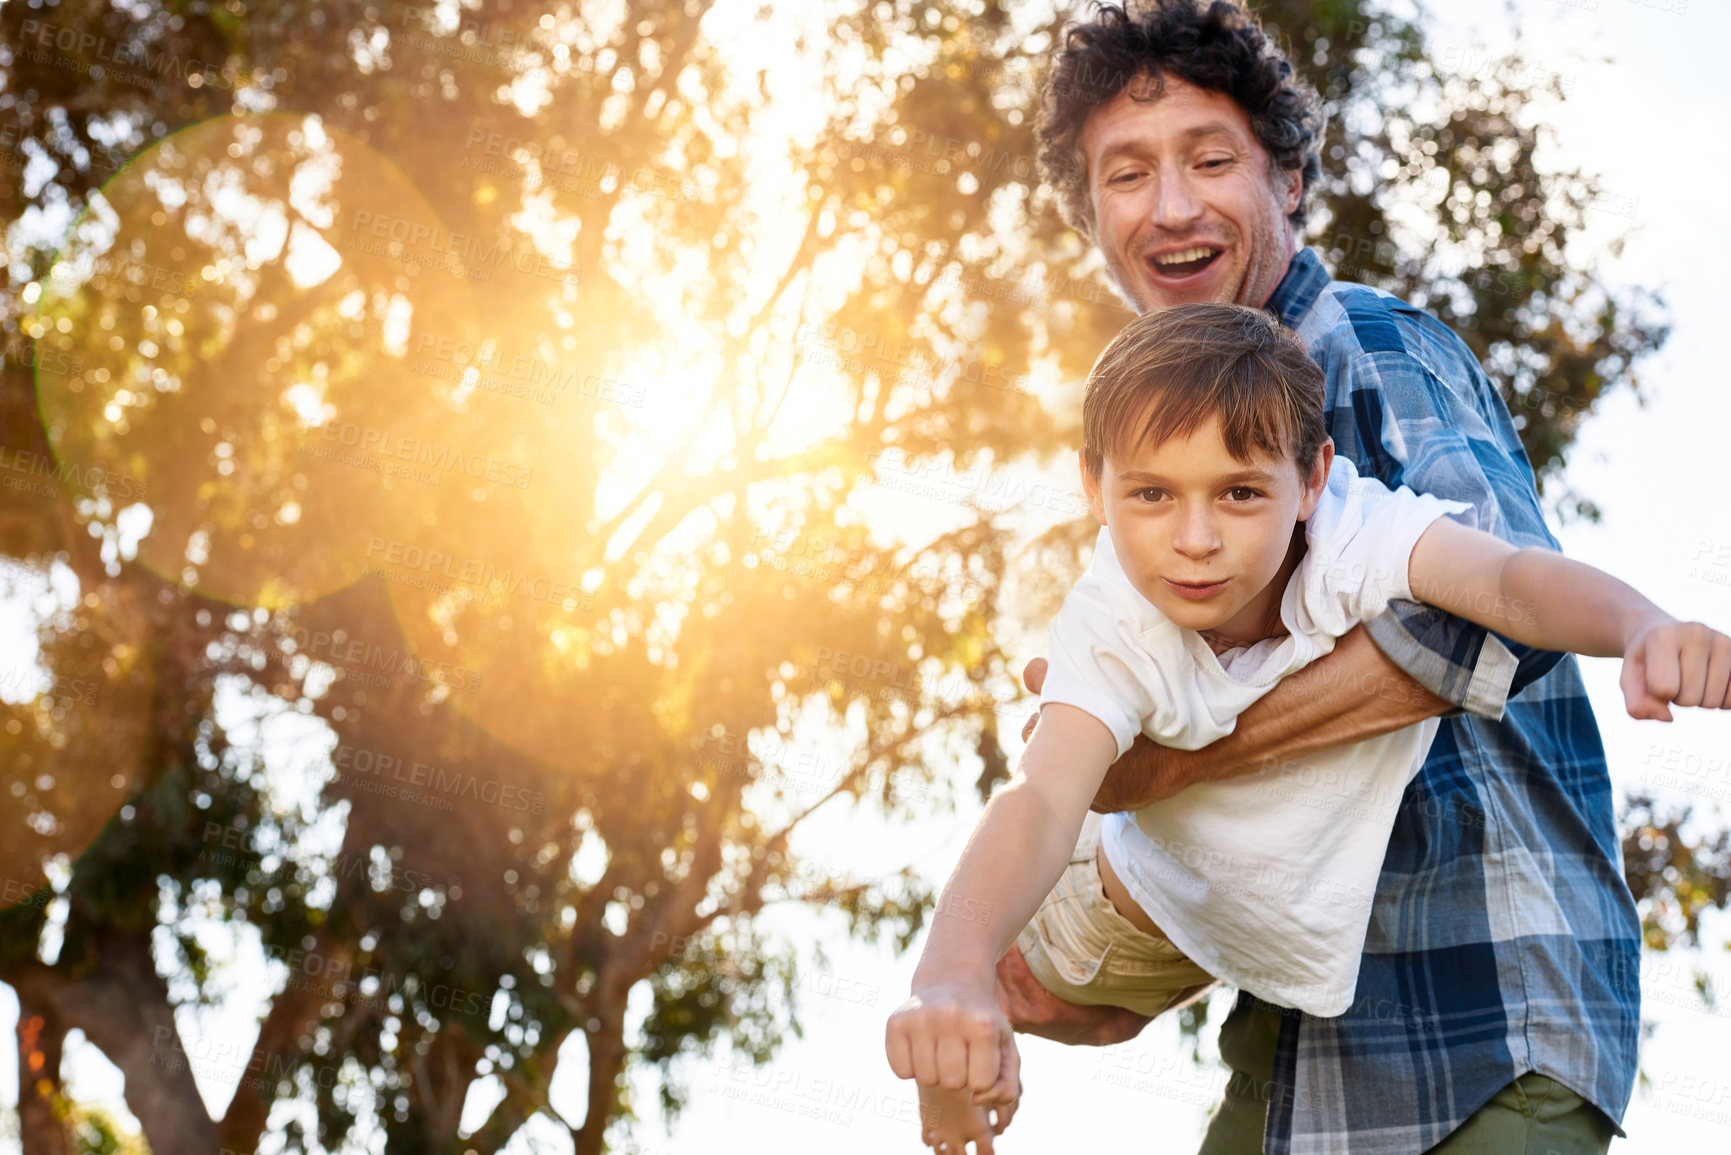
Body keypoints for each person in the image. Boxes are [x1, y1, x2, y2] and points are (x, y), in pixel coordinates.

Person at [922, 1, 1676, 1151]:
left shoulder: (1362, 348)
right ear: (1093, 218)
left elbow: (1499, 620)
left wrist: (1167, 764)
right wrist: (1095, 954)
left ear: (1289, 180)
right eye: (1127, 174)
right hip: (1307, 1046)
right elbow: (1255, 813)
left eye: (1209, 159)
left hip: (1479, 1007)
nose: (1171, 207)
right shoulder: (1164, 479)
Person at [883, 303, 1731, 1154]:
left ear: (1314, 479)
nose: (1194, 540)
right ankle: (949, 1078)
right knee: (998, 982)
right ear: (1091, 486)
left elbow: (1507, 581)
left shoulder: (1355, 536)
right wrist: (951, 971)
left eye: (1240, 493)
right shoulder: (1112, 622)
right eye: (1150, 493)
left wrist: (1641, 624)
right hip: (1124, 906)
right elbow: (1040, 799)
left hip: (1252, 916)